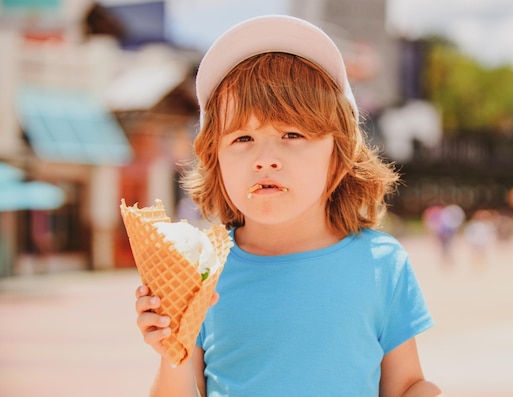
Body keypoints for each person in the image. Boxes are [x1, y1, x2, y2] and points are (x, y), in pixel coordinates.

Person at [134, 15, 444, 397]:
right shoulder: (202, 274)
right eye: (243, 137)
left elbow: (407, 384)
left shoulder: (382, 265)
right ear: (214, 161)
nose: (265, 159)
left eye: (292, 134)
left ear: (339, 155)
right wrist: (172, 351)